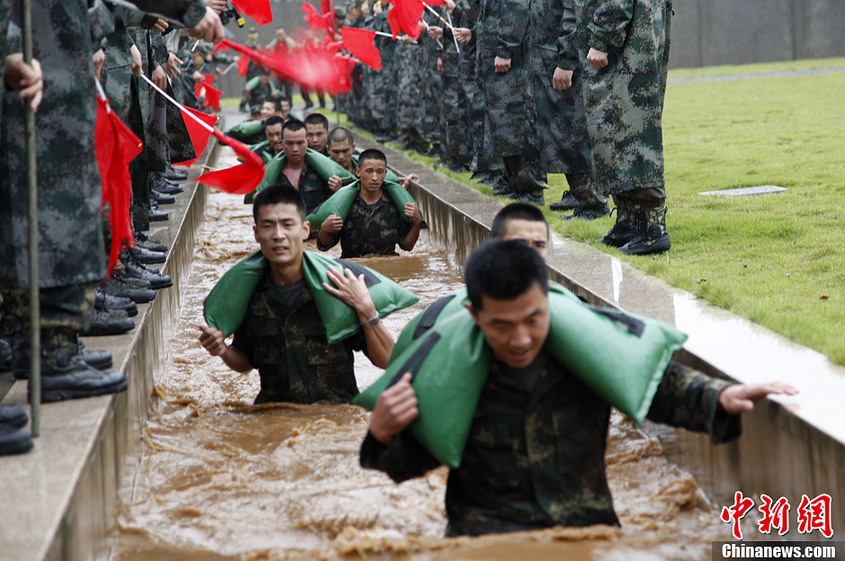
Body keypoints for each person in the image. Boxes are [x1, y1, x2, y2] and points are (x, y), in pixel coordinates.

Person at [360, 240, 798, 536]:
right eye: (501, 325)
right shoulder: (447, 370)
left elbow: (654, 383)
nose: (520, 339)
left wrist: (718, 395)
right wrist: (381, 435)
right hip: (487, 540)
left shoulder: (581, 350)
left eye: (533, 319)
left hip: (587, 534)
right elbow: (410, 465)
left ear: (548, 302)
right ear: (475, 315)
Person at [198, 185, 394, 405]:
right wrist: (222, 350)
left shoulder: (338, 286)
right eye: (268, 226)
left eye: (288, 225)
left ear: (305, 230)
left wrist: (367, 310)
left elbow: (388, 360)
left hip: (335, 419)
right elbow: (245, 360)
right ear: (256, 233)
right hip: (274, 418)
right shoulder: (249, 291)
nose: (278, 235)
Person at [560, 0, 672, 254]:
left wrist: (602, 37)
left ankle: (653, 229)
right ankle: (629, 221)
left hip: (628, 35)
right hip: (626, 32)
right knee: (610, 129)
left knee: (633, 131)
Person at [317, 149, 422, 258]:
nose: (375, 178)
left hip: (388, 266)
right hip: (354, 268)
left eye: (380, 172)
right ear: (358, 172)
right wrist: (324, 229)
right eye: (369, 171)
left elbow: (407, 246)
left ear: (385, 173)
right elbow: (325, 245)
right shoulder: (345, 202)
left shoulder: (395, 202)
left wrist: (417, 223)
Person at [274, 119, 333, 215]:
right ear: (281, 143)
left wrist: (338, 190)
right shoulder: (273, 175)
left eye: (300, 143)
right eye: (289, 143)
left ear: (307, 141)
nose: (295, 149)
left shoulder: (322, 171)